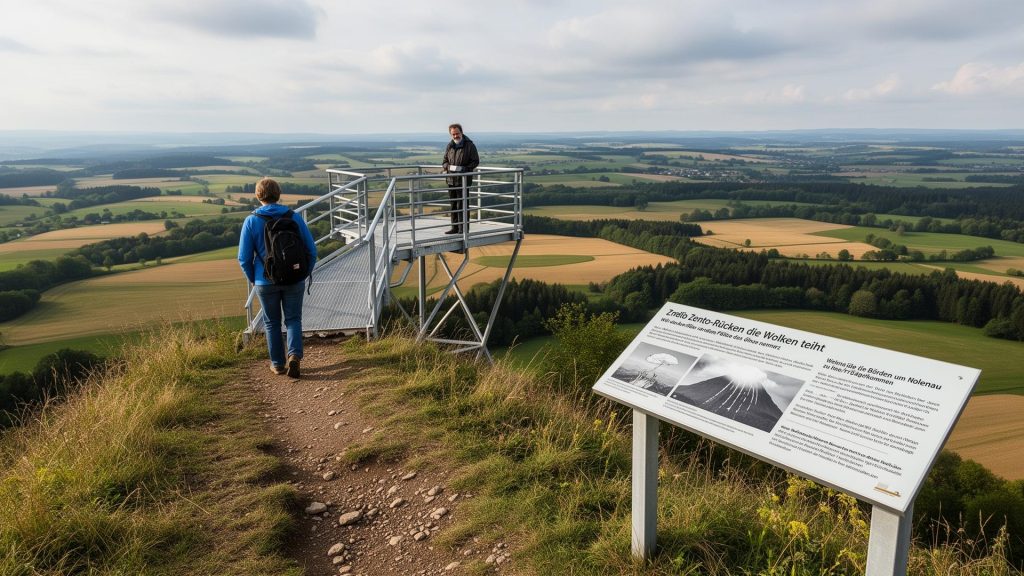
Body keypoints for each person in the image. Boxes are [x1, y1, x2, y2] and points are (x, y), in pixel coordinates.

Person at [238, 177, 317, 378]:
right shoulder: (294, 217)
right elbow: (311, 250)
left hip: (265, 280)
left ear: (258, 195)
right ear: (278, 193)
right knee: (293, 319)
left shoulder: (251, 220)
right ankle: (294, 357)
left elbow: (244, 258)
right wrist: (303, 273)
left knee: (272, 322)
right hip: (294, 277)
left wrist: (254, 279)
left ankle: (278, 364)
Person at [441, 123, 480, 234]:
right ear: (451, 134)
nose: (455, 136)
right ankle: (455, 228)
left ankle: (463, 229)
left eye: (457, 133)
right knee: (453, 205)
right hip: (451, 180)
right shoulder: (450, 145)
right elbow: (444, 161)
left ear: (461, 132)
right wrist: (447, 166)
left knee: (462, 205)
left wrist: (465, 169)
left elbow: (475, 161)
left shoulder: (470, 145)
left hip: (463, 180)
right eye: (453, 134)